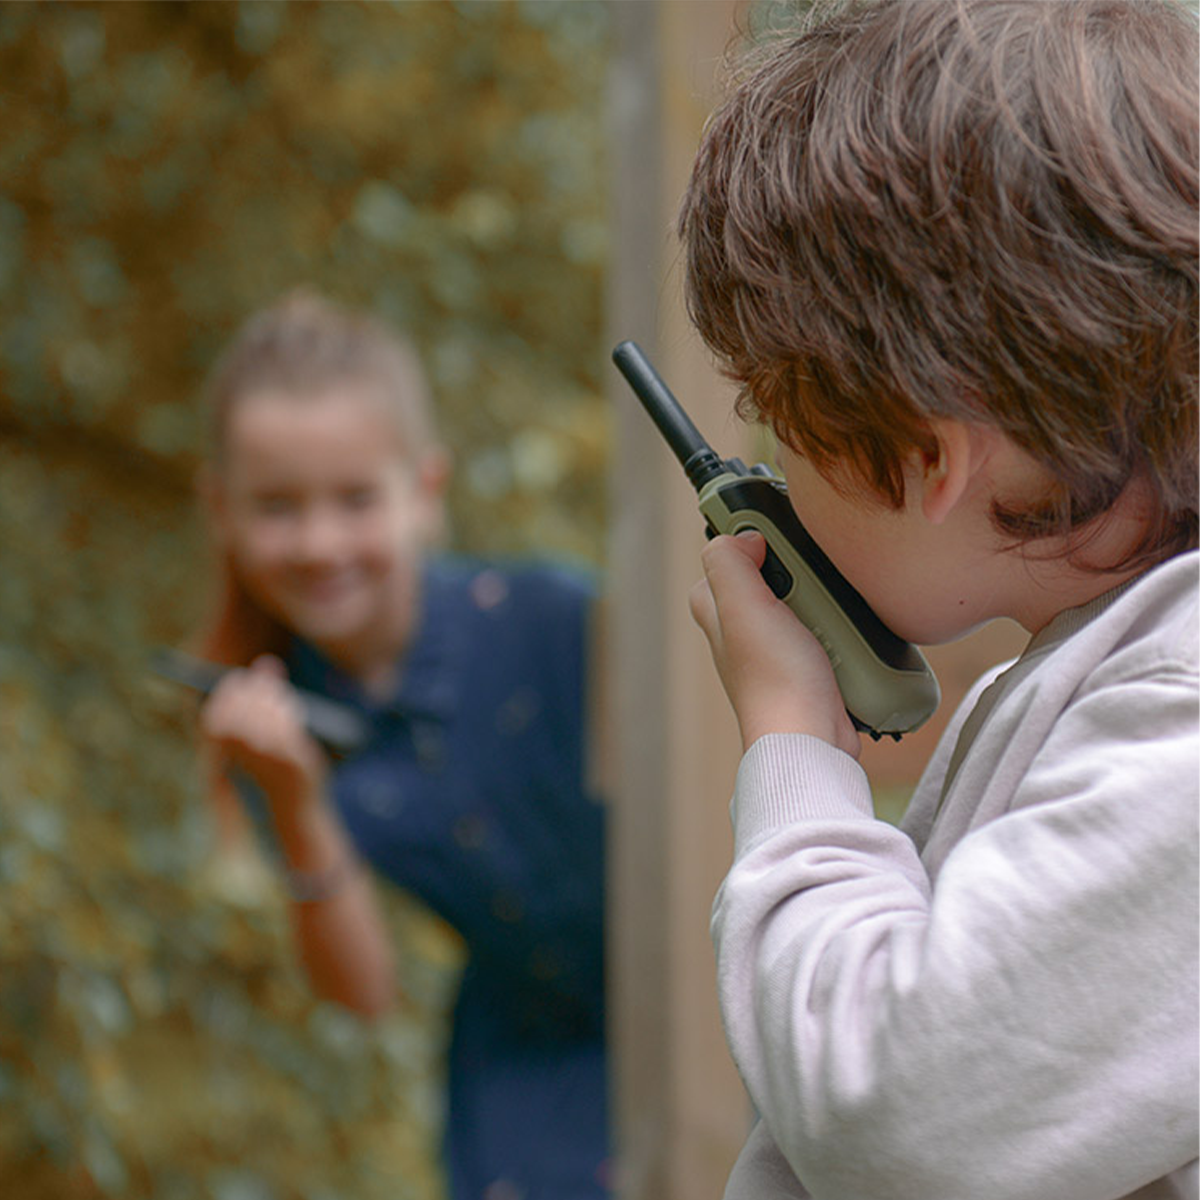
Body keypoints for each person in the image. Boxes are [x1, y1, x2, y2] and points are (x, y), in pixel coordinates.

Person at [675, 2, 1198, 1198]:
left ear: (923, 457)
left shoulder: (1181, 711)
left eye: (782, 423)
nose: (776, 475)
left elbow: (894, 1110)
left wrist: (796, 747)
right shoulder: (1111, 677)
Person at [192, 291, 610, 1200]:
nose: (318, 541)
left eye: (353, 499)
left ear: (424, 492)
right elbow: (363, 990)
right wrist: (298, 804)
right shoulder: (266, 717)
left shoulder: (554, 619)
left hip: (704, 984)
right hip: (527, 1072)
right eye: (276, 506)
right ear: (220, 510)